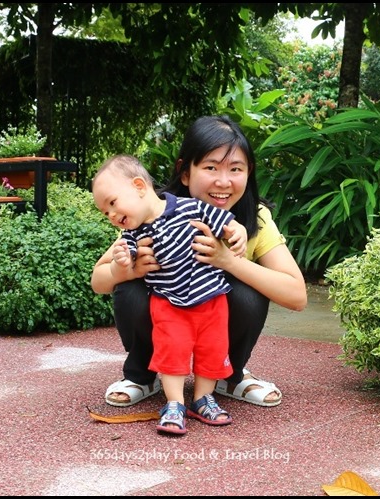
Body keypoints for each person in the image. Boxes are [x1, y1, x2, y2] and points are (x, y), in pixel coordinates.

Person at [91, 115, 307, 410]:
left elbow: (296, 296)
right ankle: (143, 375)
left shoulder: (253, 218)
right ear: (185, 172)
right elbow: (99, 279)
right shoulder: (155, 214)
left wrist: (228, 261)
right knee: (130, 289)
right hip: (167, 317)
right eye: (210, 167)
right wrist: (129, 269)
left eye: (235, 169)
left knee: (247, 292)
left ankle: (229, 375)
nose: (223, 181)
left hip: (214, 315)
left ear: (249, 172)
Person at [91, 154, 248, 435]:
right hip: (168, 304)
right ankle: (174, 403)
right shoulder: (133, 234)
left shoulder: (191, 207)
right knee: (171, 352)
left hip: (212, 298)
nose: (112, 215)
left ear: (139, 186)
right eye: (106, 213)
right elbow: (120, 261)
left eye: (113, 203)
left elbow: (225, 221)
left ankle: (203, 398)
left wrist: (238, 231)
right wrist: (122, 263)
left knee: (212, 350)